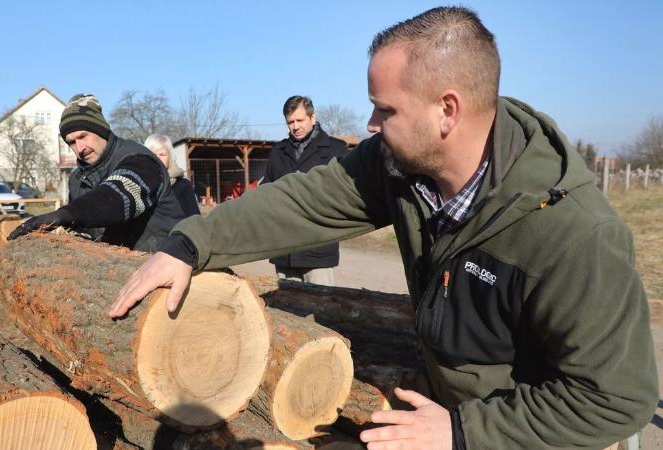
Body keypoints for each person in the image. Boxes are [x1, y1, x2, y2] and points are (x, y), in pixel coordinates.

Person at [108, 6, 657, 450]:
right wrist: (190, 243)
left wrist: (464, 433)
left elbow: (616, 399)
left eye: (384, 110)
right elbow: (301, 201)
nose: (370, 125)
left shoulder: (573, 234)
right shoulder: (398, 167)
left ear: (448, 110)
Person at [8, 94, 187, 252]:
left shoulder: (139, 160)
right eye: (71, 142)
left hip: (164, 265)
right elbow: (84, 232)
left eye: (83, 136)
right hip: (111, 275)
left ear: (101, 130)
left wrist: (66, 214)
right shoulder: (77, 180)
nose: (80, 148)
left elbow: (118, 197)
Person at [262, 96, 348, 286]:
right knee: (286, 311)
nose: (295, 126)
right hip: (285, 249)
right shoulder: (278, 152)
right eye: (290, 122)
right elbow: (266, 193)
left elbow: (345, 195)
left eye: (300, 120)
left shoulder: (336, 149)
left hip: (318, 246)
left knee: (322, 309)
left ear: (313, 118)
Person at [143, 134, 199, 217]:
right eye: (153, 154)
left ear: (170, 157)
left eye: (162, 154)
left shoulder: (183, 185)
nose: (158, 158)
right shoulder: (139, 184)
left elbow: (194, 219)